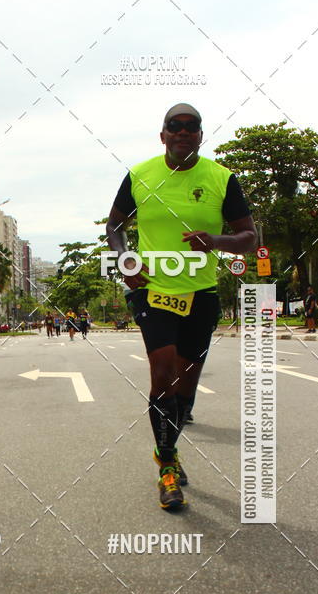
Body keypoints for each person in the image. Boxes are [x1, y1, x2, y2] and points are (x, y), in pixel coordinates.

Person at [106, 103, 257, 510]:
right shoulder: (140, 175)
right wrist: (124, 258)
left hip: (202, 294)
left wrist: (217, 241)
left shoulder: (222, 179)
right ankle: (167, 466)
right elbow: (114, 226)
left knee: (185, 388)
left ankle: (171, 441)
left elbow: (248, 236)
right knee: (163, 372)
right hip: (152, 290)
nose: (184, 132)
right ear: (163, 135)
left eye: (192, 127)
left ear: (201, 136)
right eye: (176, 126)